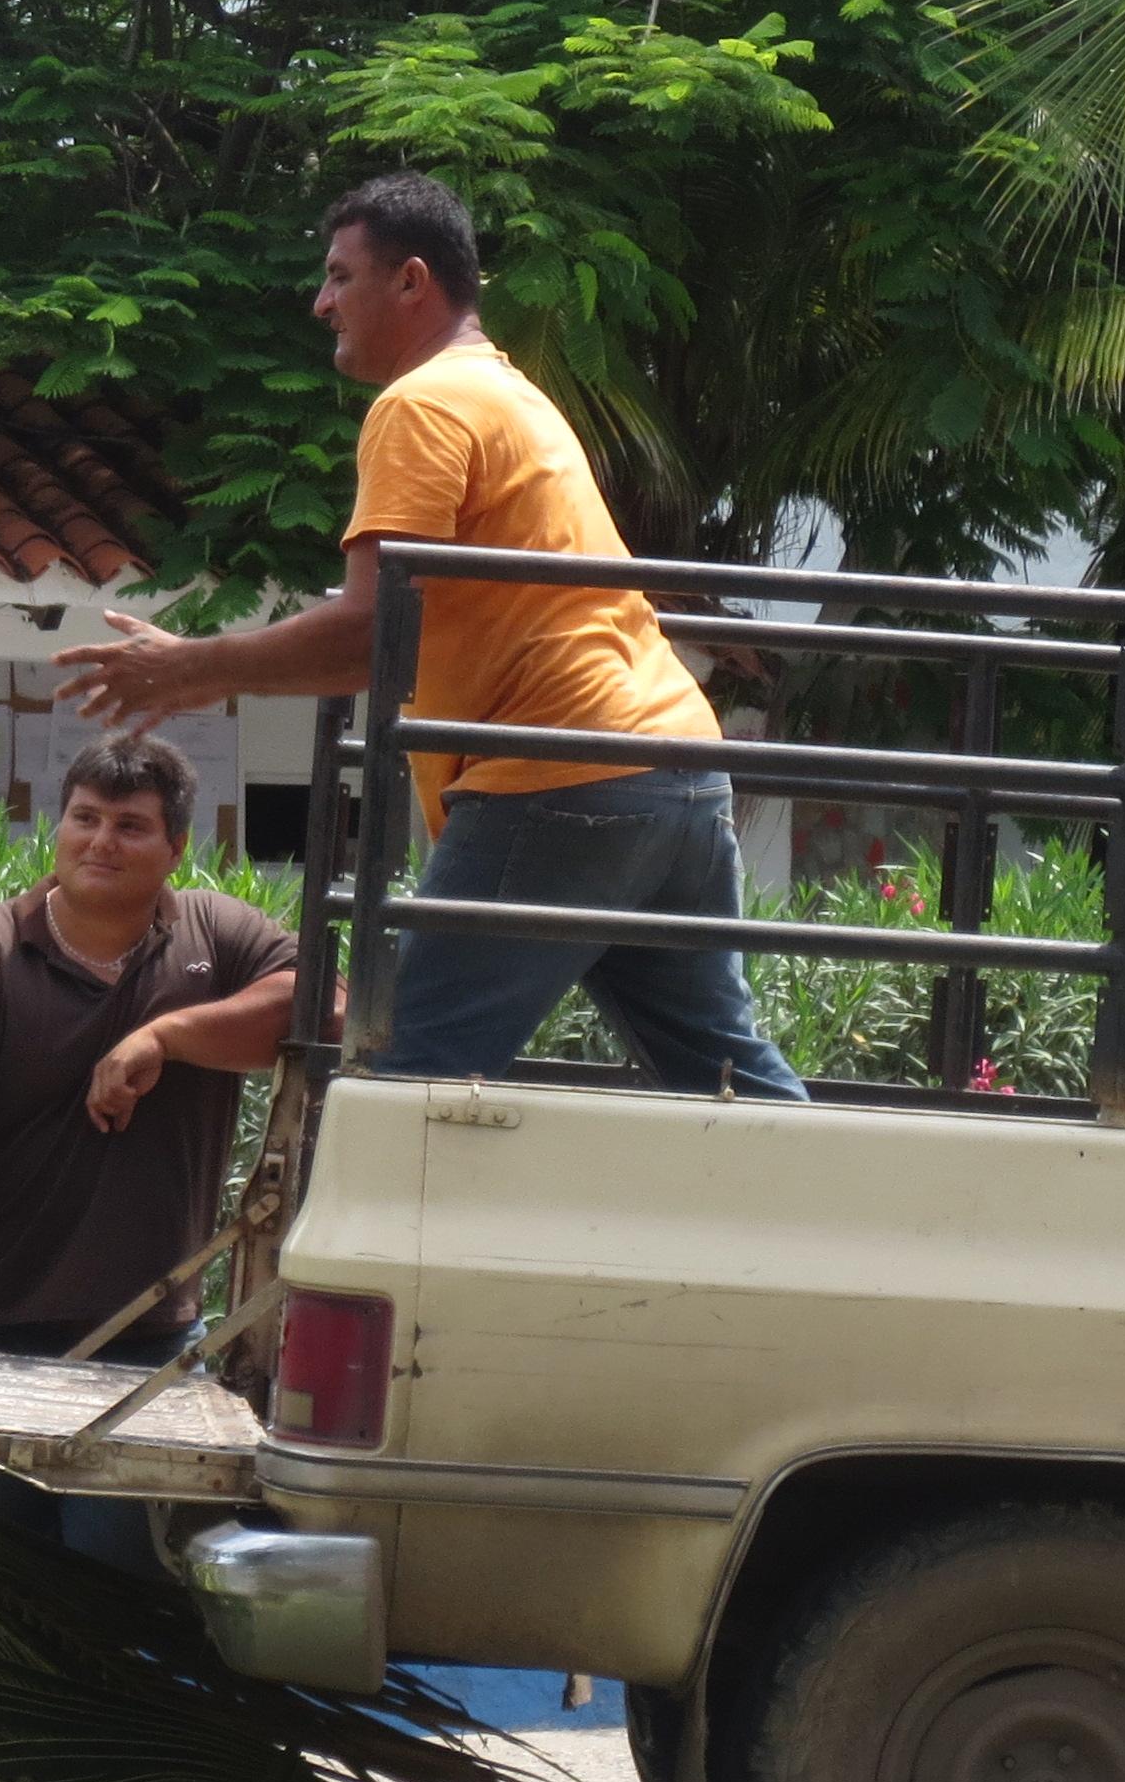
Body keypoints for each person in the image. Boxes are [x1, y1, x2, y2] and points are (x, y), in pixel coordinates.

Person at [57, 172, 802, 1100]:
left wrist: (188, 671)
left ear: (411, 282)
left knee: (404, 1078)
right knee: (724, 1074)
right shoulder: (510, 395)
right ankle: (873, 1242)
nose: (321, 301)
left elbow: (373, 631)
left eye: (339, 276)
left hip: (556, 772)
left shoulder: (418, 406)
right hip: (676, 767)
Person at [0, 736, 302, 1570]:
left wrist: (167, 1037)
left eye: (131, 826)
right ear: (57, 830)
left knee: (118, 1600)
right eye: (85, 818)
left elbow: (314, 1006)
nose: (102, 842)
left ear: (176, 849)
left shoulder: (217, 934)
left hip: (150, 1353)